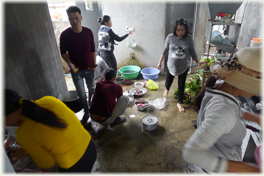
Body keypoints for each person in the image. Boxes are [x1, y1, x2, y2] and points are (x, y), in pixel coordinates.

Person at [182, 47, 261, 173]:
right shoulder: (223, 110)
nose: (257, 93)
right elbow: (191, 153)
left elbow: (231, 112)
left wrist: (256, 118)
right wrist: (253, 169)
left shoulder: (220, 86)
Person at [4, 89, 97, 172]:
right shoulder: (48, 100)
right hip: (90, 147)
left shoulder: (23, 133)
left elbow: (48, 163)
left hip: (75, 165)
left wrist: (29, 152)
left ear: (5, 118)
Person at [60, 6, 96, 125]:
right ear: (69, 19)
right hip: (76, 71)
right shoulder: (65, 35)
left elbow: (92, 49)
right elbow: (63, 52)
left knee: (92, 90)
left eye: (76, 18)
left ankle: (92, 110)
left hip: (89, 68)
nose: (74, 21)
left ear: (81, 18)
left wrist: (94, 63)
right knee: (81, 94)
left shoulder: (88, 32)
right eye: (71, 19)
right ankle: (86, 113)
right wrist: (70, 63)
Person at [157, 18, 200, 113]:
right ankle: (167, 89)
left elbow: (192, 51)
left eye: (182, 30)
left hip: (183, 66)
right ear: (175, 29)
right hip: (171, 66)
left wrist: (198, 62)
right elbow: (164, 50)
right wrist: (159, 62)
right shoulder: (170, 37)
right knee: (168, 81)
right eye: (178, 30)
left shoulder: (188, 38)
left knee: (181, 85)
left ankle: (179, 103)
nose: (180, 32)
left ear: (186, 30)